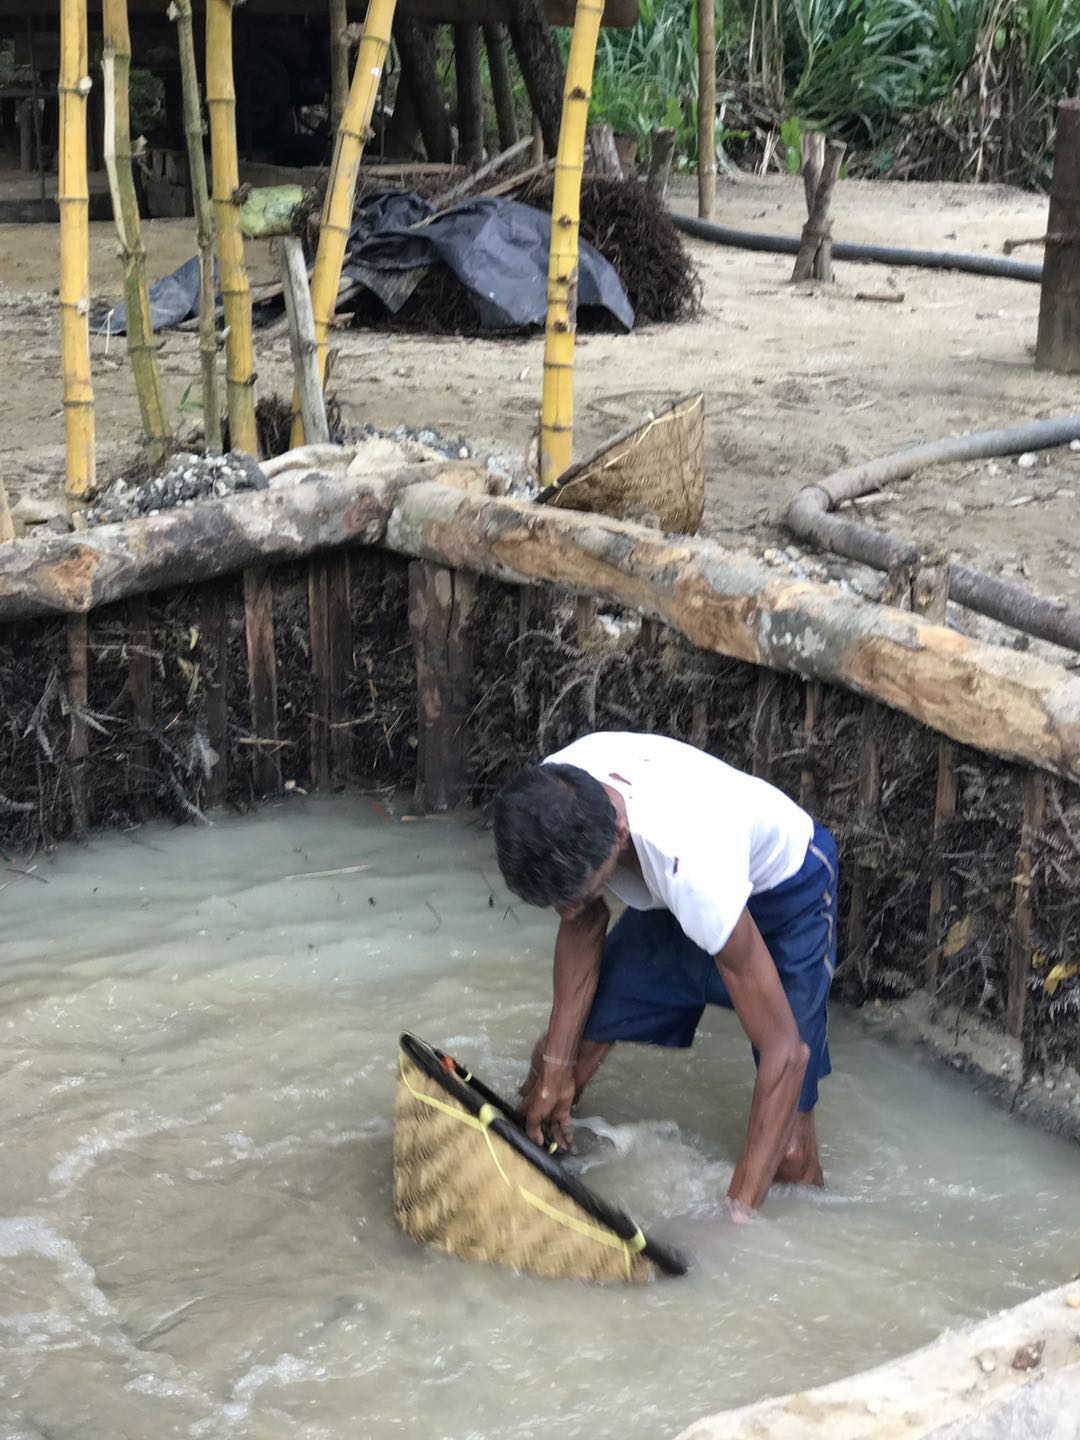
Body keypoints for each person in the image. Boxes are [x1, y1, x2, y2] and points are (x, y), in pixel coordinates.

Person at [493, 731, 838, 1216]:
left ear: (617, 834)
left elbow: (786, 1052)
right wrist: (555, 1068)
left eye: (577, 894)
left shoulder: (694, 868)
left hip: (786, 891)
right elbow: (583, 919)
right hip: (673, 895)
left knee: (789, 1159)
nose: (563, 910)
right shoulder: (553, 795)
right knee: (544, 1087)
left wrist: (732, 1221)